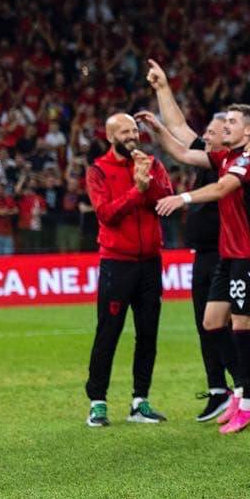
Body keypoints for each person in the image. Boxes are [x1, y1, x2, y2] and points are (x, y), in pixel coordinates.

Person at [153, 103, 250, 433]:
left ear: (248, 130)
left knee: (243, 326)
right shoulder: (224, 157)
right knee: (211, 322)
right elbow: (182, 153)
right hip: (229, 256)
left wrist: (183, 198)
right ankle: (241, 392)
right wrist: (156, 129)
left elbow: (223, 188)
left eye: (232, 122)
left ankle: (249, 402)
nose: (225, 126)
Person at [142, 60, 234, 420]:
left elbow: (179, 144)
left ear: (228, 136)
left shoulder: (227, 161)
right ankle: (219, 389)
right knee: (205, 324)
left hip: (223, 254)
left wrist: (159, 126)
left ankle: (245, 388)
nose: (205, 136)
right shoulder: (208, 155)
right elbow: (179, 128)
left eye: (211, 132)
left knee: (223, 325)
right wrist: (163, 89)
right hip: (204, 255)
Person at [83, 113, 173, 428]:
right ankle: (97, 402)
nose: (132, 135)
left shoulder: (151, 163)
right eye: (125, 131)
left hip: (150, 263)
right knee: (108, 333)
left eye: (134, 130)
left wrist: (148, 182)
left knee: (148, 334)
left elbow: (166, 201)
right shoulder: (98, 170)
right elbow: (106, 214)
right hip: (116, 263)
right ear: (110, 137)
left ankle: (140, 401)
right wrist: (137, 190)